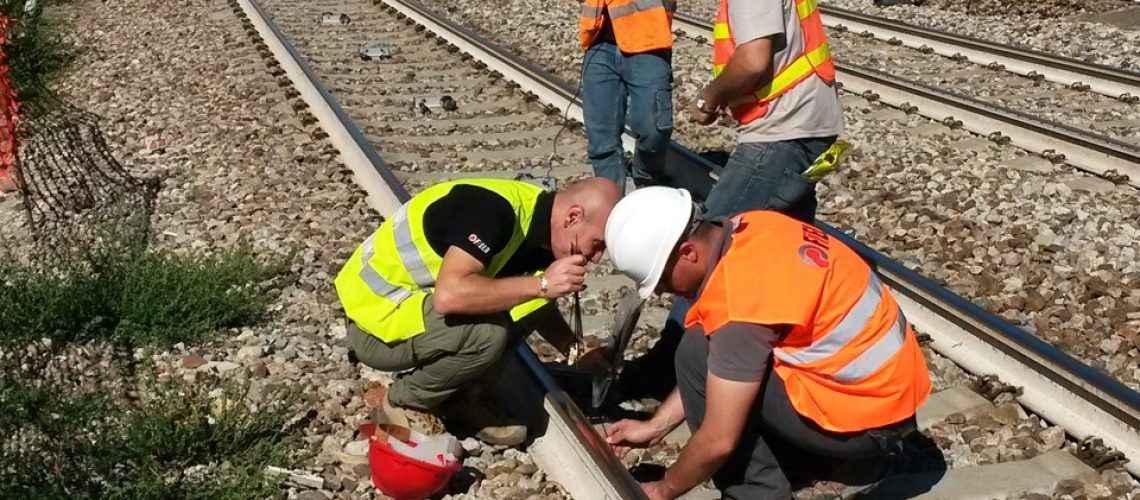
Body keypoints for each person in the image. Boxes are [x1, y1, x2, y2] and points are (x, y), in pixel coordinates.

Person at [602, 187, 931, 498]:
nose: (662, 291)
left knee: (698, 352)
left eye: (661, 279)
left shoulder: (739, 304)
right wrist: (655, 426)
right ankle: (825, 463)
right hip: (888, 401)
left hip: (869, 426)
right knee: (705, 349)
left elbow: (718, 439)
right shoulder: (752, 226)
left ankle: (760, 493)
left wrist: (663, 490)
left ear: (688, 253)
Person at [618, 0, 848, 401]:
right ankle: (786, 368)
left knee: (704, 251)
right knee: (787, 260)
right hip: (804, 124)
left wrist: (709, 97)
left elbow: (753, 60)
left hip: (782, 132)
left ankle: (669, 370)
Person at [334, 177, 620, 446]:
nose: (596, 258)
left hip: (409, 312)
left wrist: (572, 348)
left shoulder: (542, 226)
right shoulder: (491, 212)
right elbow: (449, 296)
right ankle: (404, 401)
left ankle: (460, 398)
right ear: (573, 217)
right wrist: (542, 284)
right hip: (375, 320)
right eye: (597, 244)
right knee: (488, 334)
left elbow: (532, 304)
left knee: (523, 300)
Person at [578, 0, 675, 192]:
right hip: (598, 43)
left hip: (648, 40)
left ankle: (646, 180)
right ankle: (611, 196)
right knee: (601, 138)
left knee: (654, 129)